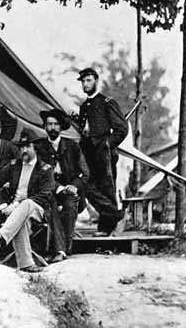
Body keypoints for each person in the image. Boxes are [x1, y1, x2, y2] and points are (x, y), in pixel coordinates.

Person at [0, 134, 55, 273]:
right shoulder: (14, 166)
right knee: (22, 222)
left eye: (28, 147)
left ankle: (1, 235)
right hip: (16, 213)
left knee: (27, 203)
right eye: (21, 147)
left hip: (38, 209)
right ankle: (26, 264)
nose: (24, 151)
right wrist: (3, 205)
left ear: (35, 149)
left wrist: (17, 206)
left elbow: (46, 194)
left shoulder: (46, 169)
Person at [76, 67, 128, 236]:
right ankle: (116, 215)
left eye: (89, 80)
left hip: (104, 152)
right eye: (83, 81)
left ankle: (106, 229)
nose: (85, 84)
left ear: (96, 81)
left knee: (106, 188)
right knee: (88, 187)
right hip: (88, 152)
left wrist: (107, 144)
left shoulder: (107, 102)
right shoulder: (84, 106)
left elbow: (121, 129)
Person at [36, 109, 89, 263]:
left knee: (70, 206)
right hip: (48, 190)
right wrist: (57, 187)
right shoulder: (39, 147)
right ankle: (58, 250)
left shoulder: (72, 146)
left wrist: (75, 185)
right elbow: (38, 173)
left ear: (61, 127)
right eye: (49, 124)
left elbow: (85, 173)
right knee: (51, 207)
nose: (52, 127)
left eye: (56, 124)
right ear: (45, 127)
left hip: (69, 190)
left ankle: (64, 249)